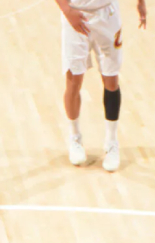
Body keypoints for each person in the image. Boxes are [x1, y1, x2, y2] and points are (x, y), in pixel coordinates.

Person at [56, 0, 145, 170]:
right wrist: (67, 9)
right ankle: (75, 137)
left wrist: (141, 3)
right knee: (74, 81)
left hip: (107, 15)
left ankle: (111, 142)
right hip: (76, 14)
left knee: (111, 80)